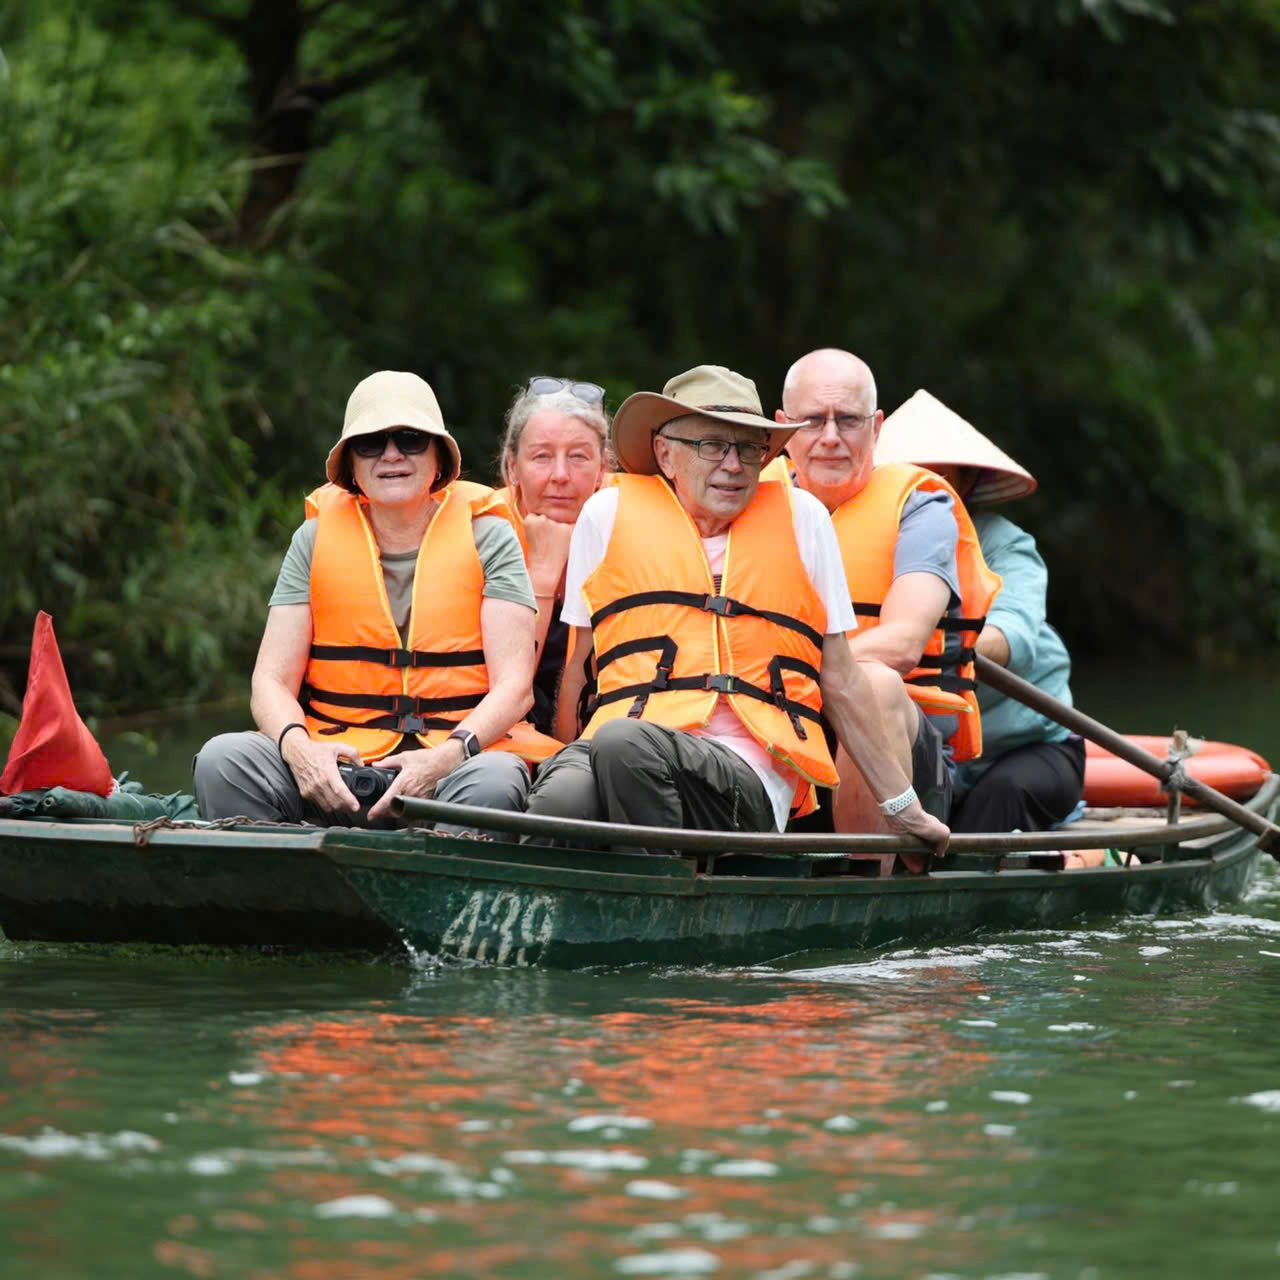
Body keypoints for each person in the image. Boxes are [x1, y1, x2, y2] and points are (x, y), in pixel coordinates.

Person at [524, 363, 950, 863]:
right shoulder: (606, 512)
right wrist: (567, 757)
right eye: (712, 446)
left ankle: (661, 901)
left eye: (749, 449)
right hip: (619, 742)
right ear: (665, 453)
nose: (734, 465)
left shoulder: (804, 519)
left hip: (743, 772)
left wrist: (902, 806)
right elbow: (579, 672)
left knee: (624, 745)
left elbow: (841, 679)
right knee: (560, 801)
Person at [194, 370, 561, 830]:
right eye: (370, 443)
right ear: (350, 464)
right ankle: (289, 871)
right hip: (333, 761)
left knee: (495, 781)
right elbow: (269, 680)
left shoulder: (488, 536)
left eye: (410, 440)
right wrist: (301, 753)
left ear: (438, 458)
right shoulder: (313, 539)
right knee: (224, 759)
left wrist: (446, 758)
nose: (391, 455)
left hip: (455, 762)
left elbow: (515, 687)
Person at [774, 349, 1000, 842]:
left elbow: (902, 644)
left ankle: (866, 872)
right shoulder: (750, 499)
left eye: (847, 420)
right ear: (784, 428)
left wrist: (783, 670)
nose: (830, 437)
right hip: (777, 723)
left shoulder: (922, 507)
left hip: (906, 749)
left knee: (872, 683)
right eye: (812, 421)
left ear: (876, 428)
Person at [873, 389, 1101, 864]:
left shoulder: (1004, 544)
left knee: (999, 797)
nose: (923, 490)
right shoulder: (859, 540)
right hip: (917, 746)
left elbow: (1012, 632)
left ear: (967, 482)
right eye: (909, 476)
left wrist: (939, 646)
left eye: (939, 478)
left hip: (1024, 748)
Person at [495, 377, 611, 737]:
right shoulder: (480, 535)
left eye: (578, 457)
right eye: (542, 456)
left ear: (603, 469)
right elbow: (497, 691)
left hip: (594, 745)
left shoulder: (630, 530)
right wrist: (543, 573)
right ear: (512, 467)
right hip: (496, 744)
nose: (560, 475)